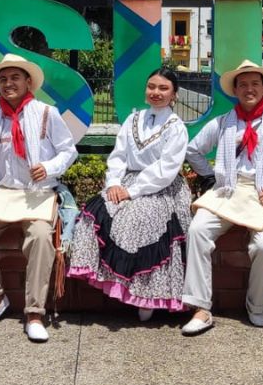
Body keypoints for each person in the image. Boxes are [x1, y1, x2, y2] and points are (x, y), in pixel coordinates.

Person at [180, 59, 263, 336]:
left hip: (262, 193)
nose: (249, 89)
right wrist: (209, 178)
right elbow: (193, 151)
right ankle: (201, 309)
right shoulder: (222, 123)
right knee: (197, 230)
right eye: (243, 84)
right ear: (235, 90)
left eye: (255, 84)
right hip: (227, 190)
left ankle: (256, 304)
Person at [0, 53, 78, 343]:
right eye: (3, 79)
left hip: (37, 194)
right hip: (1, 193)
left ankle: (34, 313)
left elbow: (68, 150)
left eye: (15, 77)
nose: (8, 83)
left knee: (41, 237)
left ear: (29, 82)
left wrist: (49, 167)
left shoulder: (45, 113)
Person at [69, 68, 190, 320]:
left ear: (174, 94)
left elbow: (165, 169)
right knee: (95, 213)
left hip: (160, 188)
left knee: (141, 220)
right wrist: (114, 183)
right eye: (152, 87)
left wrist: (132, 191)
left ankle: (146, 294)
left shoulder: (176, 127)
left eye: (163, 88)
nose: (156, 92)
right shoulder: (133, 120)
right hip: (125, 182)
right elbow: (119, 155)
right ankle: (116, 282)